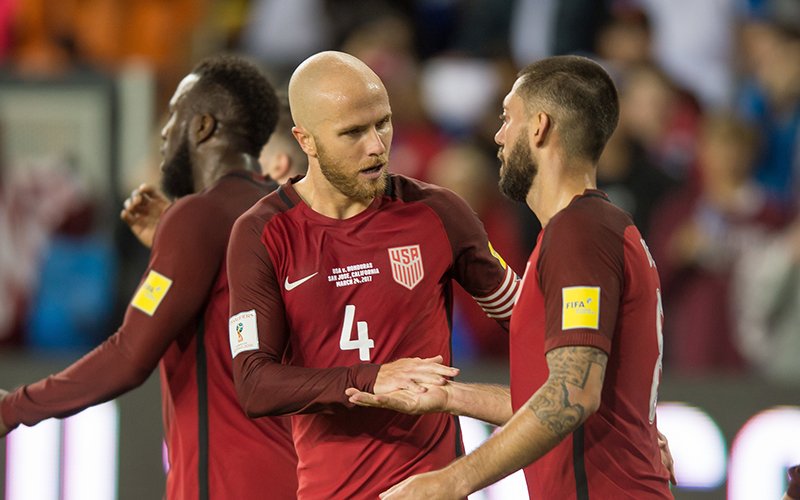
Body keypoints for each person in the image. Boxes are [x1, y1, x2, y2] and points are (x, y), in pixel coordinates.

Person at [348, 55, 675, 499]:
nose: (499, 136)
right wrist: (448, 397)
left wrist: (452, 481)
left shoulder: (579, 233)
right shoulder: (594, 229)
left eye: (507, 118)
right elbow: (553, 395)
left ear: (539, 127)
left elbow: (571, 396)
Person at [0, 55, 298, 500]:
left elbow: (128, 354)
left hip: (225, 483)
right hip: (295, 475)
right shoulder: (283, 209)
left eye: (175, 113)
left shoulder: (197, 216)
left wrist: (14, 406)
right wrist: (169, 241)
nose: (163, 132)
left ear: (202, 127)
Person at [225, 50, 520, 499]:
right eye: (353, 133)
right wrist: (367, 378)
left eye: (383, 123)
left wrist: (623, 424)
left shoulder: (438, 213)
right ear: (305, 140)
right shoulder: (262, 233)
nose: (377, 146)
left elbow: (532, 326)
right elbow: (253, 383)